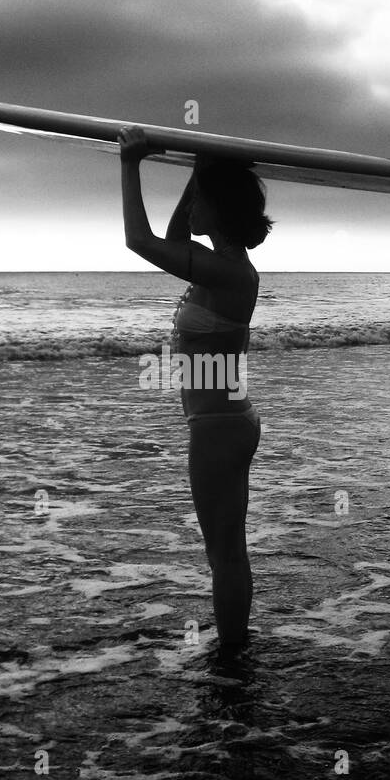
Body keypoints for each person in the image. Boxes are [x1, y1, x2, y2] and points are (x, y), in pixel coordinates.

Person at [118, 125, 273, 649]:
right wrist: (198, 168)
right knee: (227, 547)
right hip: (224, 423)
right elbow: (175, 236)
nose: (190, 210)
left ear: (220, 210)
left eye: (200, 200)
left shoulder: (233, 276)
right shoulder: (218, 269)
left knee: (223, 552)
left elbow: (139, 241)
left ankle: (232, 659)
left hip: (220, 429)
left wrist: (130, 162)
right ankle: (235, 647)